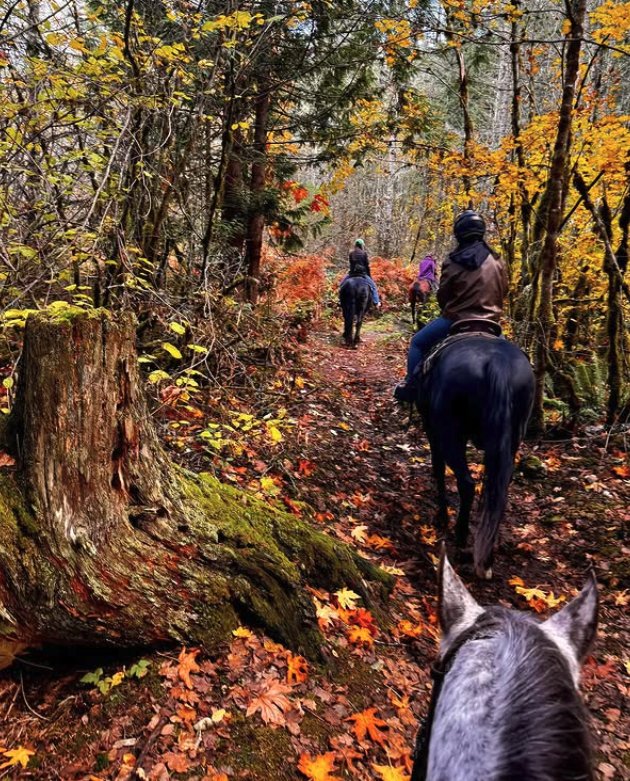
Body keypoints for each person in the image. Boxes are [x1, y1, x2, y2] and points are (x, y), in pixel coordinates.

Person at [394, 210, 508, 402]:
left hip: (456, 321)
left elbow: (443, 297)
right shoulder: (498, 261)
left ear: (459, 234)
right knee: (514, 355)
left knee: (418, 343)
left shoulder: (453, 261)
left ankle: (411, 386)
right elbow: (504, 291)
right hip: (491, 324)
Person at [341, 239, 381, 307]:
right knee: (373, 287)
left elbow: (351, 264)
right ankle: (376, 302)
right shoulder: (364, 253)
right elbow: (366, 266)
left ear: (355, 245)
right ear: (362, 245)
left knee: (341, 285)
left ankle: (341, 301)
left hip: (352, 274)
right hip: (362, 274)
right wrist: (369, 276)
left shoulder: (351, 253)